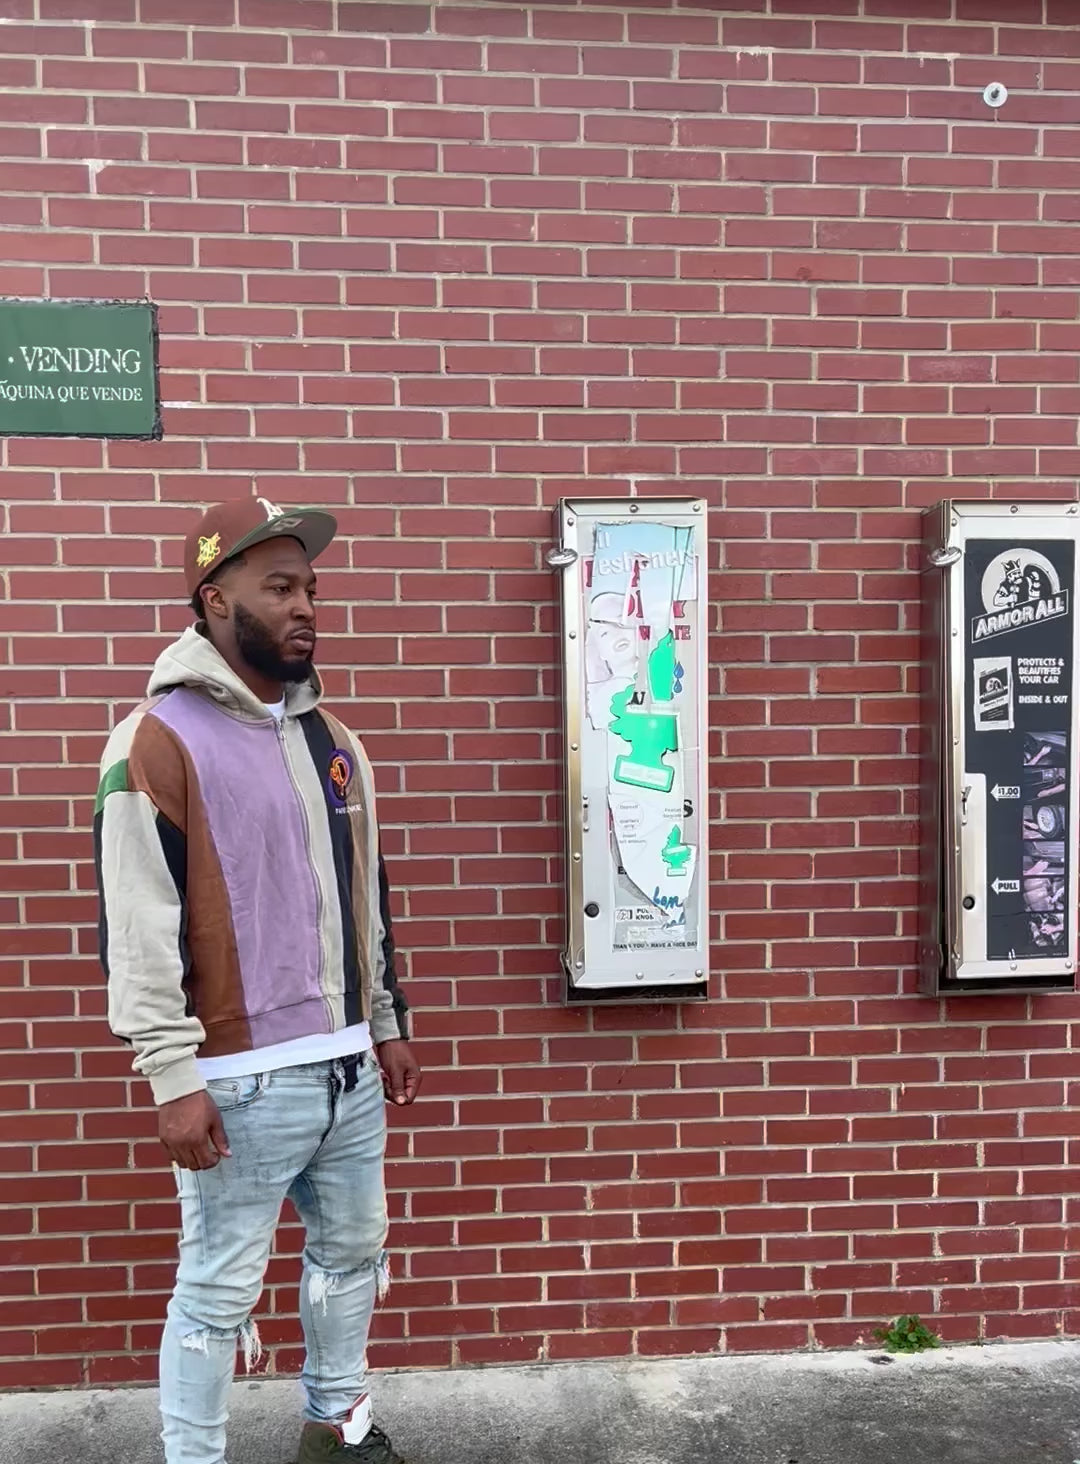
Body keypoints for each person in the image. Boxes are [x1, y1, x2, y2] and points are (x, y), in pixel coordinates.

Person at [94, 496, 421, 1464]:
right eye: (278, 587)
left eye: (309, 588)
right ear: (214, 598)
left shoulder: (335, 743)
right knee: (216, 1293)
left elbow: (366, 895)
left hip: (349, 1072)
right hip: (238, 1082)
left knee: (352, 1255)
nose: (304, 606)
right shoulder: (155, 741)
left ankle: (336, 1430)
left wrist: (385, 1021)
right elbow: (137, 926)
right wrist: (171, 1076)